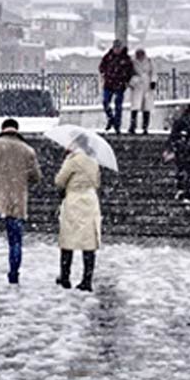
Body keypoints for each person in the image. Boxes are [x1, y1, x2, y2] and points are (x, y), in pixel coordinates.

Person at [0, 118, 42, 285]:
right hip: (16, 200)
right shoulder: (28, 150)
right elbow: (36, 177)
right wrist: (20, 179)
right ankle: (14, 273)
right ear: (17, 130)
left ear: (3, 129)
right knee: (15, 240)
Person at [54, 133, 102, 292]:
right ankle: (86, 280)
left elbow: (59, 181)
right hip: (90, 200)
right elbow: (97, 182)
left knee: (68, 239)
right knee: (89, 242)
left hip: (73, 200)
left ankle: (65, 277)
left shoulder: (73, 160)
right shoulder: (94, 160)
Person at [99, 40, 134, 134]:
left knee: (118, 106)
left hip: (120, 84)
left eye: (118, 48)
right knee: (105, 102)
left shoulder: (126, 58)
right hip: (109, 84)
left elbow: (130, 71)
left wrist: (125, 80)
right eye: (115, 48)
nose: (117, 50)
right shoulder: (108, 56)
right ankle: (111, 119)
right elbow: (101, 66)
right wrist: (105, 74)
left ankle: (117, 125)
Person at [128, 49, 157, 134]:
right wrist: (132, 82)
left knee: (146, 107)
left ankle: (145, 127)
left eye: (141, 54)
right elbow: (129, 73)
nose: (140, 56)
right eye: (138, 54)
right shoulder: (133, 62)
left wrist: (153, 81)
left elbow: (154, 72)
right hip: (137, 86)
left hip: (147, 86)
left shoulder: (149, 61)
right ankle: (133, 126)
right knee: (135, 107)